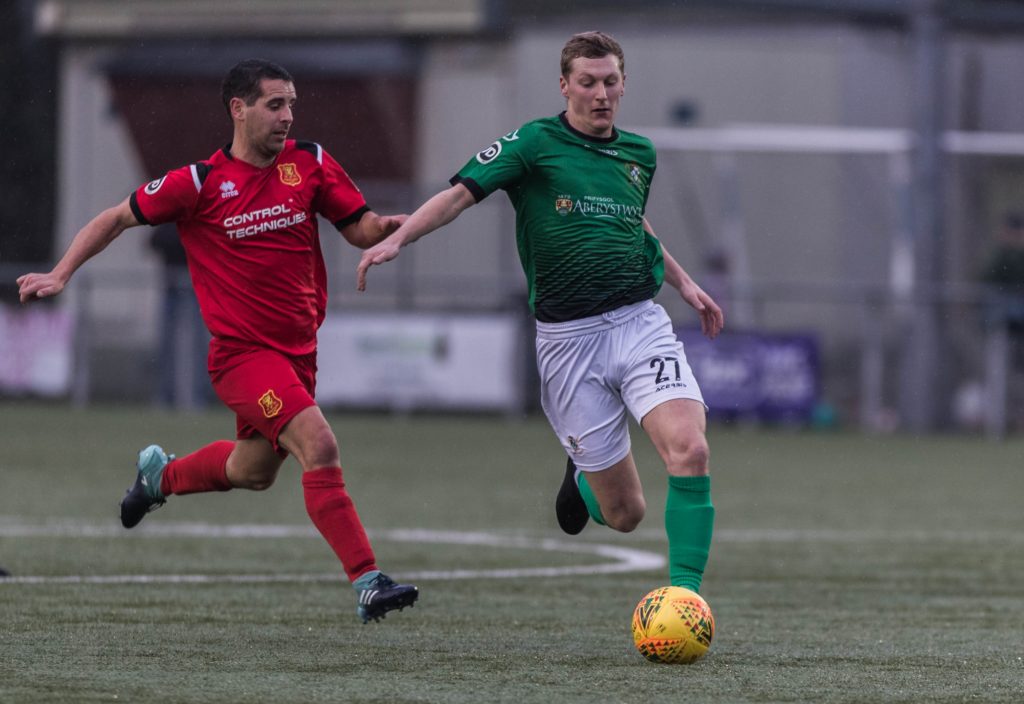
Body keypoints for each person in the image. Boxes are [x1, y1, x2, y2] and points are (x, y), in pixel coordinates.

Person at [18, 58, 418, 623]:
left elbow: (358, 224)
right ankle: (368, 580)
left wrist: (384, 231)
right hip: (243, 359)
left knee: (255, 472)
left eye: (292, 104)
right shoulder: (198, 183)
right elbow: (113, 218)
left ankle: (160, 477)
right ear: (239, 108)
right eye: (275, 105)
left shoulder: (311, 163)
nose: (287, 116)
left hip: (299, 353)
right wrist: (61, 273)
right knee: (319, 444)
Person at [356, 32, 723, 597]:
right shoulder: (533, 143)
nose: (601, 93)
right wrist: (398, 240)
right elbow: (458, 194)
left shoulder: (639, 154)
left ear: (623, 84)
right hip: (568, 342)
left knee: (690, 449)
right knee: (625, 513)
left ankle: (686, 597)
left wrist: (686, 282)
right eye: (588, 82)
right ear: (564, 86)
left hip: (637, 323)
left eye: (610, 81)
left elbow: (633, 224)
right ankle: (581, 479)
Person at [149, 222, 209, 408]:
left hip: (196, 288)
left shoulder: (200, 221)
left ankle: (199, 397)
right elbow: (155, 241)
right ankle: (165, 396)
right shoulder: (169, 221)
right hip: (172, 286)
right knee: (166, 344)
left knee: (200, 345)